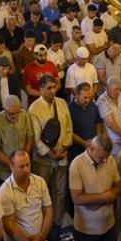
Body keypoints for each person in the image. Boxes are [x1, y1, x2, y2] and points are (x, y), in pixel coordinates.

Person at [28, 74, 72, 228]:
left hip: (62, 156)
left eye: (54, 87)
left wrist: (64, 148)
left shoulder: (62, 103)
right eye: (49, 88)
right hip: (44, 160)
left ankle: (58, 223)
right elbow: (36, 138)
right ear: (40, 90)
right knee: (42, 193)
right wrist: (52, 154)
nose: (52, 91)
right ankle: (43, 225)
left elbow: (69, 128)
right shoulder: (34, 108)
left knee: (60, 192)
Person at [70, 133, 121, 241]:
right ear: (91, 148)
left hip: (109, 226)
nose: (104, 161)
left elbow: (119, 185)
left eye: (106, 157)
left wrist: (109, 195)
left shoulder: (109, 159)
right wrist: (103, 197)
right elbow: (76, 198)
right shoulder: (77, 164)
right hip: (86, 230)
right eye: (101, 157)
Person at [0, 149, 54, 241]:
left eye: (28, 165)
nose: (26, 170)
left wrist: (41, 237)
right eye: (21, 166)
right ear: (12, 167)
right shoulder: (4, 191)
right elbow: (8, 225)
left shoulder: (40, 182)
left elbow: (48, 211)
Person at [0, 95, 33, 185]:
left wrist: (23, 160)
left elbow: (30, 138)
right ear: (4, 110)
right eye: (11, 113)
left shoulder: (24, 115)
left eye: (17, 112)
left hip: (23, 170)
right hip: (3, 173)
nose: (14, 116)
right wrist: (14, 165)